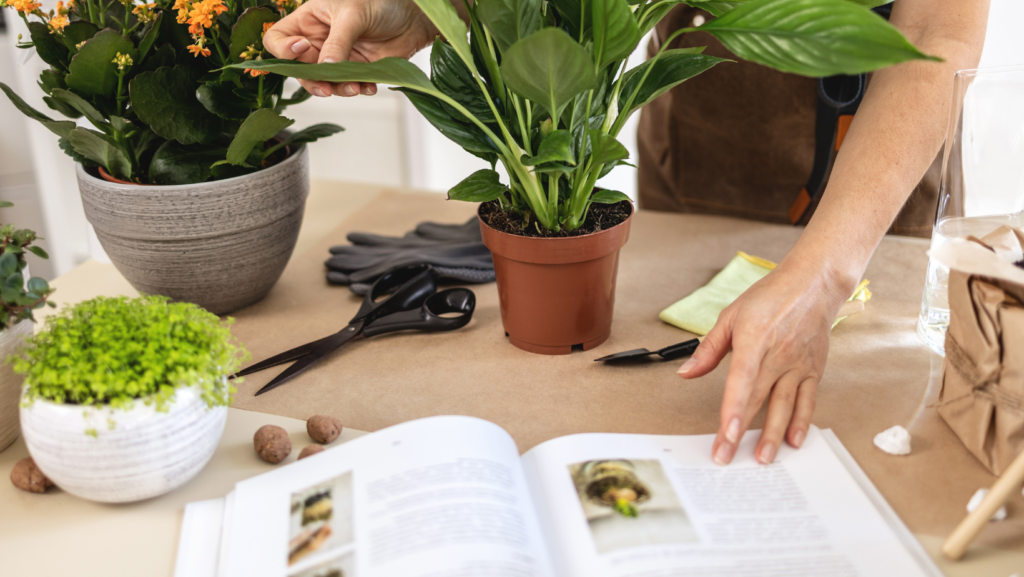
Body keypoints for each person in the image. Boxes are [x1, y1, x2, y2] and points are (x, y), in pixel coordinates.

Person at [263, 0, 991, 465]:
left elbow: (936, 31)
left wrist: (825, 275)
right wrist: (424, 11)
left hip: (870, 159)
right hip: (693, 128)